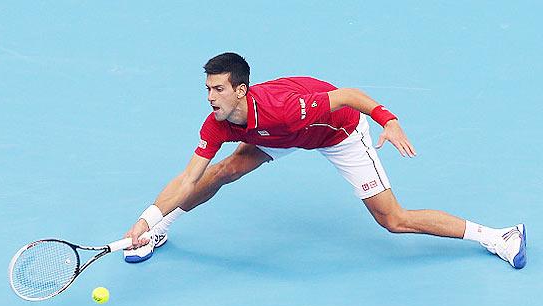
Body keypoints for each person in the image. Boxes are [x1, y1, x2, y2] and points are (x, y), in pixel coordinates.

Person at [123, 52, 527, 269]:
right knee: (221, 171)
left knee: (393, 220)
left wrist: (390, 120)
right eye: (207, 89)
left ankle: (498, 236)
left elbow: (349, 95)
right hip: (278, 136)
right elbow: (189, 178)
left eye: (218, 89)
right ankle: (161, 231)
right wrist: (147, 219)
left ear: (241, 90)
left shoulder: (287, 109)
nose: (210, 97)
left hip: (338, 134)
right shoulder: (219, 123)